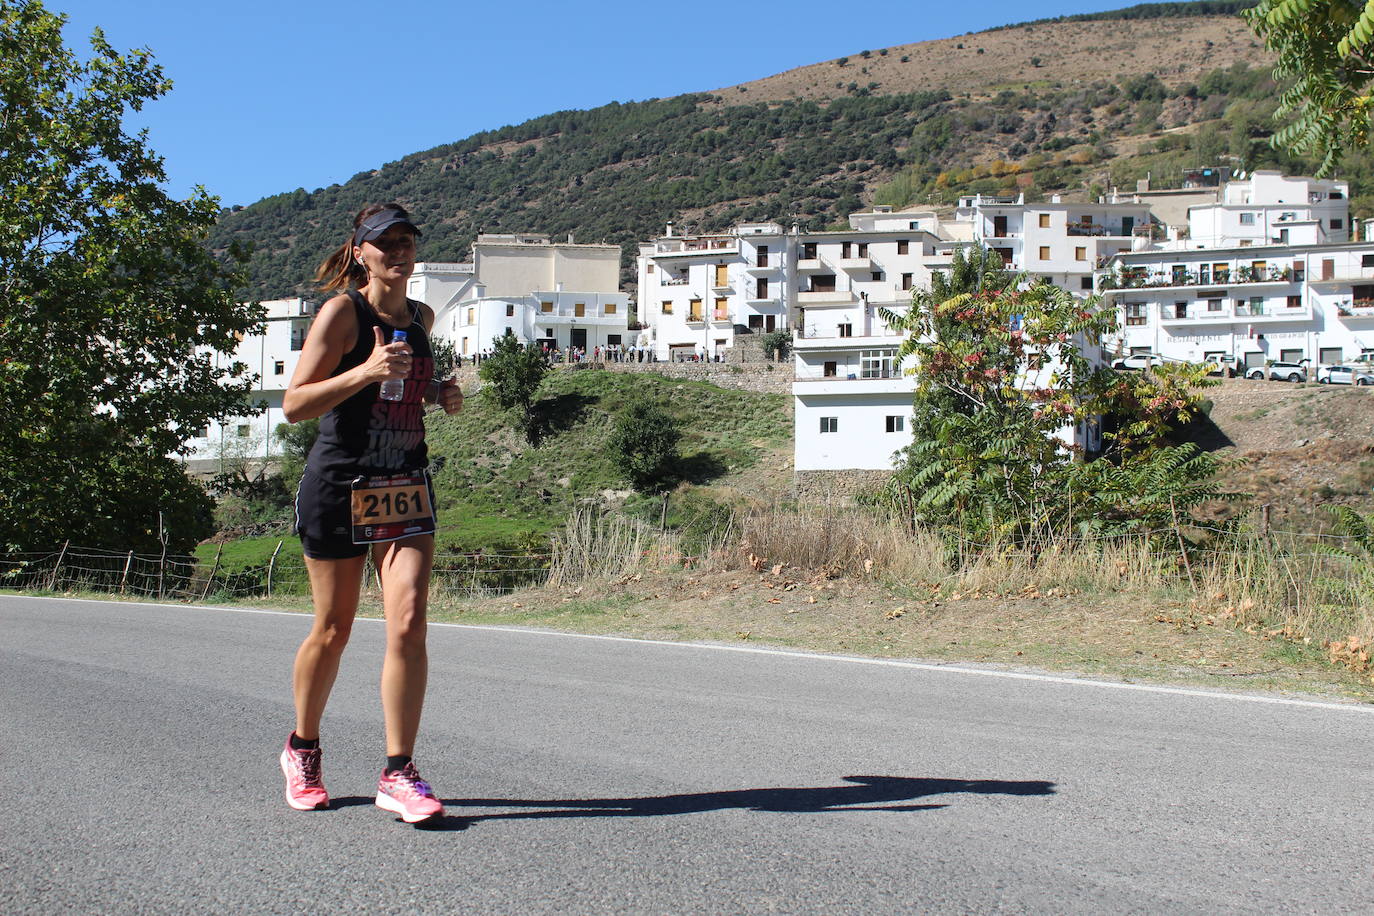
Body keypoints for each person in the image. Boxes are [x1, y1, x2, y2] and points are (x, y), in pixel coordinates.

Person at [278, 203, 463, 824]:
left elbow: (405, 388)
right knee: (334, 630)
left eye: (407, 241)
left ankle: (398, 770)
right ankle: (302, 748)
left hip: (404, 483)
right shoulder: (342, 313)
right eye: (386, 243)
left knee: (409, 623)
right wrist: (366, 370)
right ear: (361, 252)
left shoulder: (424, 318)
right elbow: (295, 404)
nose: (400, 252)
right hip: (339, 484)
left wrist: (438, 394)